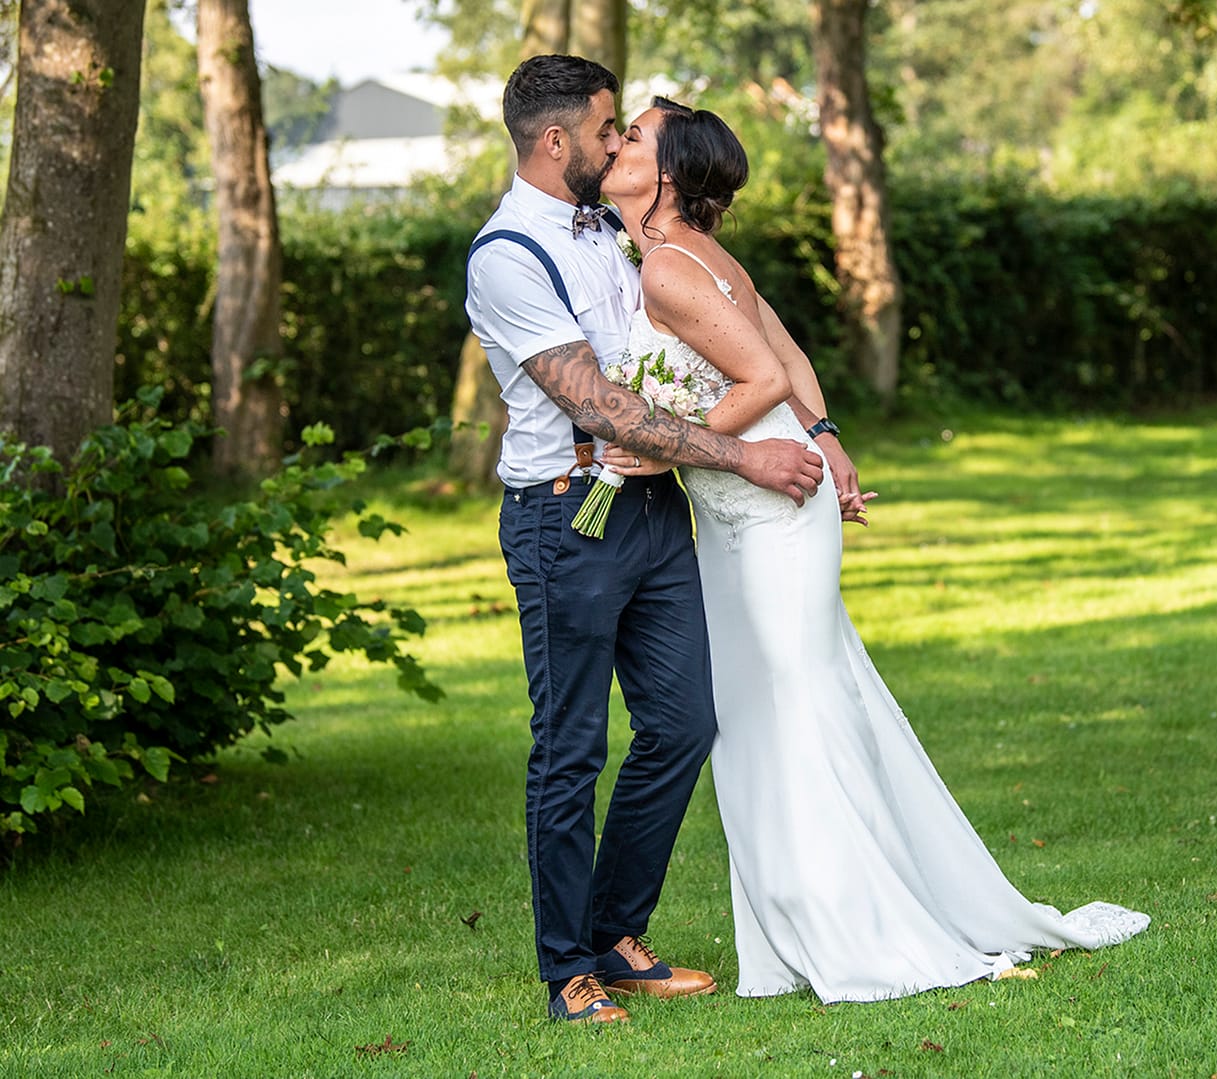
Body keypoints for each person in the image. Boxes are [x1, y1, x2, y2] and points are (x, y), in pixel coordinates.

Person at [595, 98, 1149, 1004]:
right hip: (746, 507)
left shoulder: (667, 264)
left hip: (769, 506)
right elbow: (788, 358)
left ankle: (857, 922)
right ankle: (797, 924)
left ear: (666, 174)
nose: (616, 142)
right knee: (763, 712)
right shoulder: (690, 254)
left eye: (633, 136)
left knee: (796, 705)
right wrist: (826, 436)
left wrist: (665, 444)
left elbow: (763, 374)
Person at [463, 56, 824, 1024]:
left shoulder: (616, 233)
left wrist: (816, 429)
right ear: (555, 141)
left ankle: (618, 934)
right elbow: (598, 404)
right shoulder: (507, 255)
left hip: (654, 510)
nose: (616, 140)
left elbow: (728, 325)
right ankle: (566, 969)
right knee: (570, 748)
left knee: (681, 724)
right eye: (604, 128)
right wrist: (744, 456)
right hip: (565, 515)